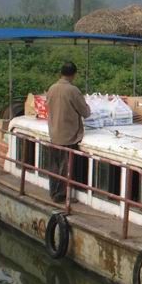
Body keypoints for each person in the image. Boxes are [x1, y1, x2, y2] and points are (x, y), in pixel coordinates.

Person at [46, 61, 91, 203]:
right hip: (68, 135)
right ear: (74, 74)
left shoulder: (52, 88)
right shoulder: (73, 90)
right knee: (66, 166)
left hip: (54, 133)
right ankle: (60, 196)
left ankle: (53, 192)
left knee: (54, 166)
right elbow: (86, 112)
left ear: (61, 73)